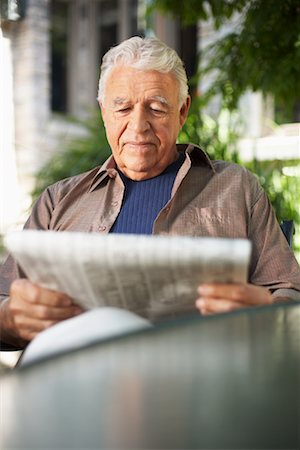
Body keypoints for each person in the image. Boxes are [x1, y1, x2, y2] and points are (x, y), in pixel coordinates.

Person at [1, 36, 299, 350]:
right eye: (123, 108)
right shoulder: (58, 201)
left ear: (182, 112)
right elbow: (5, 299)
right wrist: (12, 318)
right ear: (104, 112)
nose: (138, 126)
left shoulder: (236, 188)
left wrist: (267, 317)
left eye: (156, 109)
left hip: (203, 386)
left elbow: (291, 294)